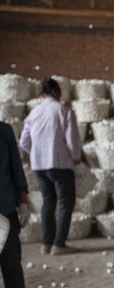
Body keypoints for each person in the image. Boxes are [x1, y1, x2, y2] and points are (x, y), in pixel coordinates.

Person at [20, 78, 82, 256]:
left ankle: (46, 244)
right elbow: (72, 142)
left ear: (42, 95)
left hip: (39, 165)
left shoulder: (34, 113)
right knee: (65, 204)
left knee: (48, 202)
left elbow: (24, 141)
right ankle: (59, 244)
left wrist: (37, 152)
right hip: (60, 164)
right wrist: (77, 161)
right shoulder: (64, 111)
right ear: (59, 93)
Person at [0, 122, 44, 288]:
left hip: (5, 206)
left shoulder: (4, 131)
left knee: (11, 260)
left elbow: (15, 166)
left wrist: (23, 202)